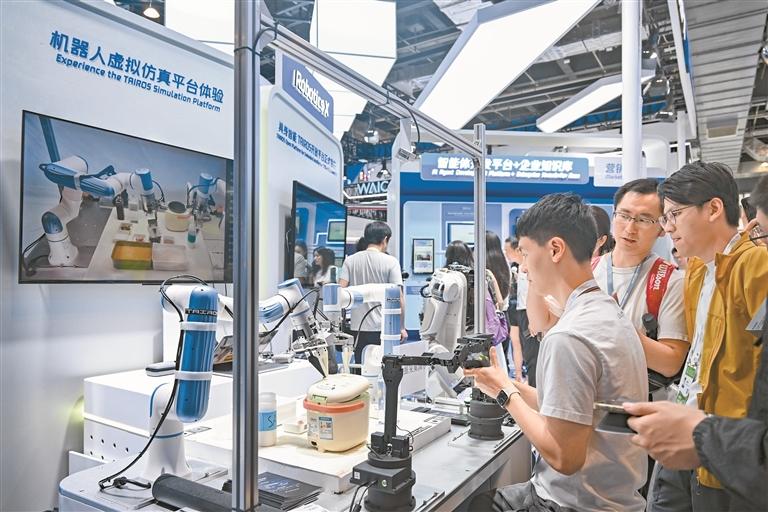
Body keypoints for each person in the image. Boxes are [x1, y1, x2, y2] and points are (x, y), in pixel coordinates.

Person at [466, 193, 648, 511]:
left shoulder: (569, 336)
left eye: (525, 254)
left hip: (573, 503)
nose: (523, 268)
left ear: (554, 249)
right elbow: (572, 410)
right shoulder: (606, 311)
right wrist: (501, 383)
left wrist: (506, 395)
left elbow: (564, 457)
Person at [624, 172, 768, 511]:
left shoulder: (755, 266)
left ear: (714, 209)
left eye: (675, 214)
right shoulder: (697, 272)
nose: (668, 227)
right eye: (665, 218)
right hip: (688, 431)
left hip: (727, 449)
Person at [592, 179, 689, 389]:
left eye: (644, 220)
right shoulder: (588, 270)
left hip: (640, 402)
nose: (630, 228)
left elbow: (671, 363)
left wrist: (618, 327)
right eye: (624, 215)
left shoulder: (671, 281)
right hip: (584, 393)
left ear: (662, 227)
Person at [339, 221, 407, 367]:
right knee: (386, 367)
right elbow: (399, 297)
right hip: (384, 328)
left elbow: (340, 292)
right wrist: (401, 327)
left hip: (358, 327)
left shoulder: (350, 261)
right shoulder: (391, 262)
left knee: (361, 366)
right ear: (385, 239)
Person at [485, 231, 512, 375]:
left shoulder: (482, 267)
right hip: (503, 317)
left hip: (488, 318)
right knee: (503, 359)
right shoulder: (505, 264)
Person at [504, 238, 525, 382]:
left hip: (525, 308)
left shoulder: (526, 266)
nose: (506, 253)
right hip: (514, 307)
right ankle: (518, 374)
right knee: (515, 342)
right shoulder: (511, 266)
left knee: (525, 343)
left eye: (508, 250)